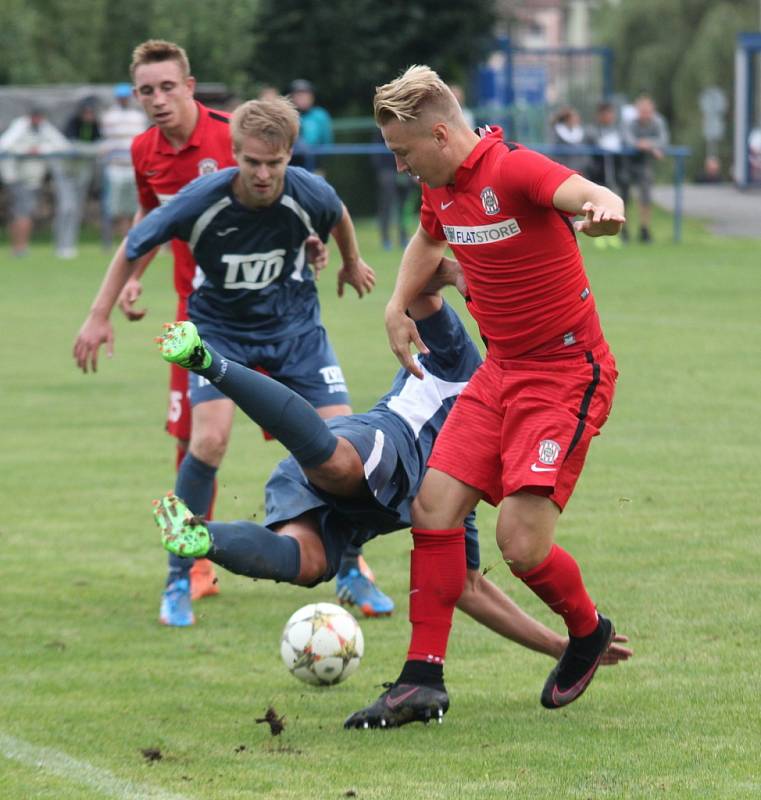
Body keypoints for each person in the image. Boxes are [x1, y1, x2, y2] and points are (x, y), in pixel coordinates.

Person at [151, 278, 632, 727]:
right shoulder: (463, 356)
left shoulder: (470, 472)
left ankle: (202, 537)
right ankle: (208, 360)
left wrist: (560, 647)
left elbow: (464, 587)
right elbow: (421, 290)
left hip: (387, 502)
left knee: (308, 562)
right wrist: (456, 272)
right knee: (336, 464)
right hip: (384, 439)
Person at [344, 65, 626, 728]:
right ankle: (421, 681)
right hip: (499, 372)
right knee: (432, 508)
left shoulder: (515, 170)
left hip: (564, 375)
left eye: (403, 152)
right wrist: (395, 305)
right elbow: (426, 238)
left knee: (520, 547)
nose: (400, 165)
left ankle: (585, 631)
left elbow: (582, 189)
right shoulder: (442, 188)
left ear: (440, 134)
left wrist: (602, 209)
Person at [73, 95, 391, 626]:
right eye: (252, 162)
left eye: (275, 163)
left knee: (343, 453)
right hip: (222, 333)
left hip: (296, 332)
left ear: (290, 155)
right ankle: (180, 575)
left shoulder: (308, 191)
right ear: (235, 154)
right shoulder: (202, 197)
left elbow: (338, 216)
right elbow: (134, 242)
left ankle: (352, 567)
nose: (264, 174)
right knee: (209, 440)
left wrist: (351, 263)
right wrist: (98, 312)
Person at [0, 106, 70, 257]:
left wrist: (41, 149)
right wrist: (27, 150)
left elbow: (62, 145)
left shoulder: (44, 128)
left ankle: (18, 248)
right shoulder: (20, 126)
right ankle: (20, 248)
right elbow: (5, 145)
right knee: (23, 213)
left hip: (34, 179)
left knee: (22, 213)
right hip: (16, 178)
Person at [53, 97, 102, 259]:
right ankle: (60, 244)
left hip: (82, 173)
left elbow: (101, 145)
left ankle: (70, 244)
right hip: (66, 172)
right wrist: (92, 149)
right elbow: (72, 146)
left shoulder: (94, 125)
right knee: (66, 207)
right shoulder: (72, 122)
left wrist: (93, 149)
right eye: (86, 112)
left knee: (76, 210)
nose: (89, 115)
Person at [99, 83, 148, 246]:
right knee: (117, 208)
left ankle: (136, 238)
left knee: (136, 206)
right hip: (116, 167)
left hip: (134, 167)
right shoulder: (109, 117)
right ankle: (123, 239)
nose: (123, 100)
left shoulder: (138, 116)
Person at [621, 94, 669, 243]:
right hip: (627, 163)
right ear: (637, 111)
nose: (645, 114)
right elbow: (628, 140)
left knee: (646, 197)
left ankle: (644, 229)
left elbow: (663, 140)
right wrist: (648, 146)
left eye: (648, 111)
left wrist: (645, 144)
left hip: (645, 164)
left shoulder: (658, 122)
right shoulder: (629, 123)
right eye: (642, 111)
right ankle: (624, 229)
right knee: (624, 197)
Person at [585, 101, 627, 246]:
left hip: (615, 173)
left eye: (610, 113)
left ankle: (614, 234)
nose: (608, 117)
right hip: (598, 172)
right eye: (605, 114)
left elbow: (625, 141)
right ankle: (600, 236)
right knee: (599, 204)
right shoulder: (592, 130)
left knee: (615, 202)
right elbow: (591, 142)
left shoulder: (618, 129)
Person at [288, 79, 333, 170]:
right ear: (292, 97)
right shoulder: (287, 114)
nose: (303, 98)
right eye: (299, 95)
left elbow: (327, 142)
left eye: (306, 95)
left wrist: (320, 165)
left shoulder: (320, 115)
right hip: (291, 164)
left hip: (314, 163)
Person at [550, 106, 589, 175]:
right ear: (567, 119)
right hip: (564, 166)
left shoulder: (580, 132)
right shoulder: (557, 132)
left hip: (579, 167)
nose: (577, 119)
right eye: (574, 117)